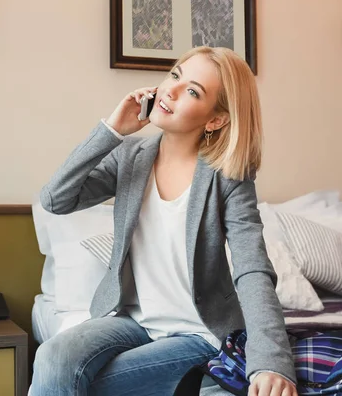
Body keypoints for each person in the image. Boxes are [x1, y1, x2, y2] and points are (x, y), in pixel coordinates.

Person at [31, 46, 298, 396]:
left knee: (90, 384)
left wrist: (271, 363)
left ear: (215, 119)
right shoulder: (130, 157)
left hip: (198, 331)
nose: (171, 90)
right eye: (175, 75)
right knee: (53, 356)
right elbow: (56, 198)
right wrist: (112, 129)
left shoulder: (228, 178)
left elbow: (252, 269)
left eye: (192, 91)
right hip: (132, 321)